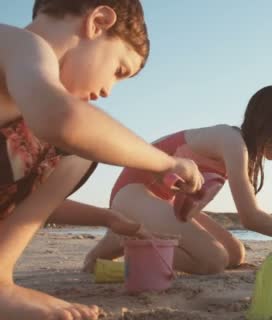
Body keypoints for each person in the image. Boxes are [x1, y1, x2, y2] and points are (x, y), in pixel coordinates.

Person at [0, 1, 202, 319]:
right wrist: (168, 162)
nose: (109, 90)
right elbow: (63, 119)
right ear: (99, 21)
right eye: (119, 70)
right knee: (80, 135)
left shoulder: (23, 104)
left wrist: (108, 218)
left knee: (78, 152)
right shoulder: (18, 43)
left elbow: (20, 201)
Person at [84, 85, 272, 275]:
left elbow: (252, 213)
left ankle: (126, 237)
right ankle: (127, 239)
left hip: (161, 201)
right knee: (212, 260)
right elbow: (251, 217)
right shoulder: (231, 141)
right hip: (134, 193)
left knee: (235, 254)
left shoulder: (242, 151)